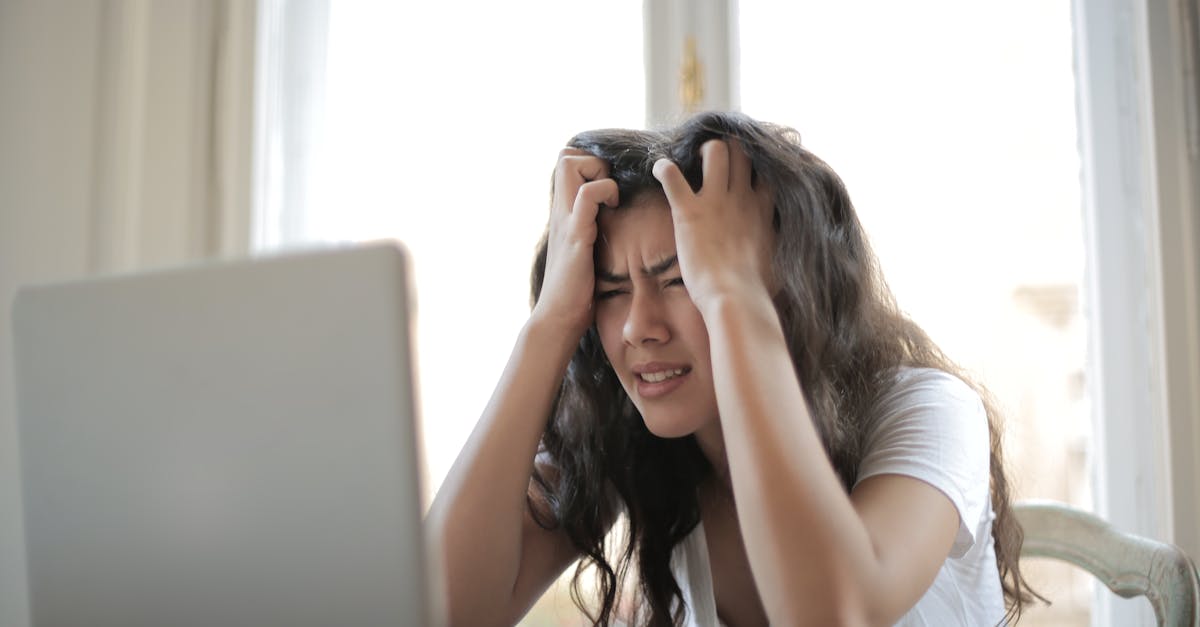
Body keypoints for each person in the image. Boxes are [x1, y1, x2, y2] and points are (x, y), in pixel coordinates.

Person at [427, 111, 1038, 626]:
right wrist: (551, 321)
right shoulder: (639, 440)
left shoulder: (929, 410)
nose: (640, 326)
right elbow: (440, 610)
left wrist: (733, 298)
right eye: (610, 291)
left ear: (785, 287)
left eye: (682, 278)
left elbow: (836, 611)